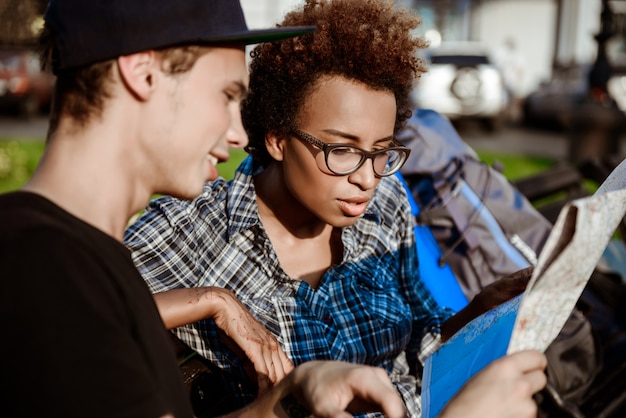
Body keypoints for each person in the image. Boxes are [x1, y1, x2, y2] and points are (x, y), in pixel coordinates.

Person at [124, 0, 546, 417]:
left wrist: (480, 312)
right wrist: (213, 301)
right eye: (342, 150)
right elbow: (71, 321)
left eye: (381, 151)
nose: (367, 178)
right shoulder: (195, 230)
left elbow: (420, 341)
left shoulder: (387, 205)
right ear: (277, 139)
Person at [0, 0, 418, 417]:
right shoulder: (42, 261)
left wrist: (290, 397)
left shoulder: (87, 261)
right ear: (142, 74)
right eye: (227, 94)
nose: (238, 133)